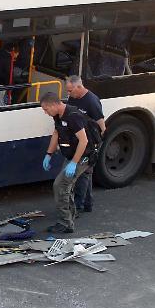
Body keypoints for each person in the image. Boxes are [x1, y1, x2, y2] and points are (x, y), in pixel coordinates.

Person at [40, 92, 94, 233]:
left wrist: (75, 162)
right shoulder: (58, 115)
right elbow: (56, 134)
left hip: (82, 157)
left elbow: (84, 141)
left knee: (60, 185)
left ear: (54, 104)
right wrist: (48, 154)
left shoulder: (73, 116)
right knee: (67, 185)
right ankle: (71, 215)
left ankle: (65, 223)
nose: (46, 113)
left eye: (46, 109)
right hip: (72, 156)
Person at [65, 75, 106, 213]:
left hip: (90, 143)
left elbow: (102, 126)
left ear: (79, 87)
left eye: (70, 90)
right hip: (79, 141)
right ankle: (87, 203)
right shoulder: (73, 97)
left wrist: (94, 147)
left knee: (83, 174)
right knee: (86, 174)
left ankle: (80, 205)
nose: (68, 94)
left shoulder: (92, 101)